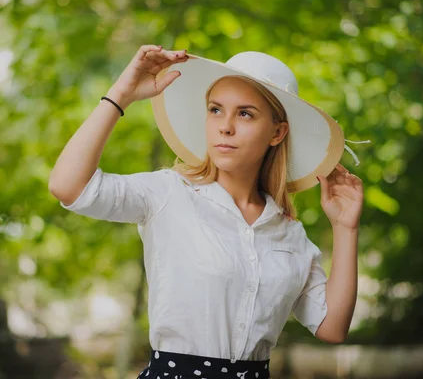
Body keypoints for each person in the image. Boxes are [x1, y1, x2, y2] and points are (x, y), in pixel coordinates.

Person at [48, 45, 363, 379]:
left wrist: (346, 229)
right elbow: (69, 186)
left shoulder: (288, 232)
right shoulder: (170, 193)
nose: (225, 126)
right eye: (216, 110)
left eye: (245, 113)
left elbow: (332, 327)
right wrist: (121, 94)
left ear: (277, 132)